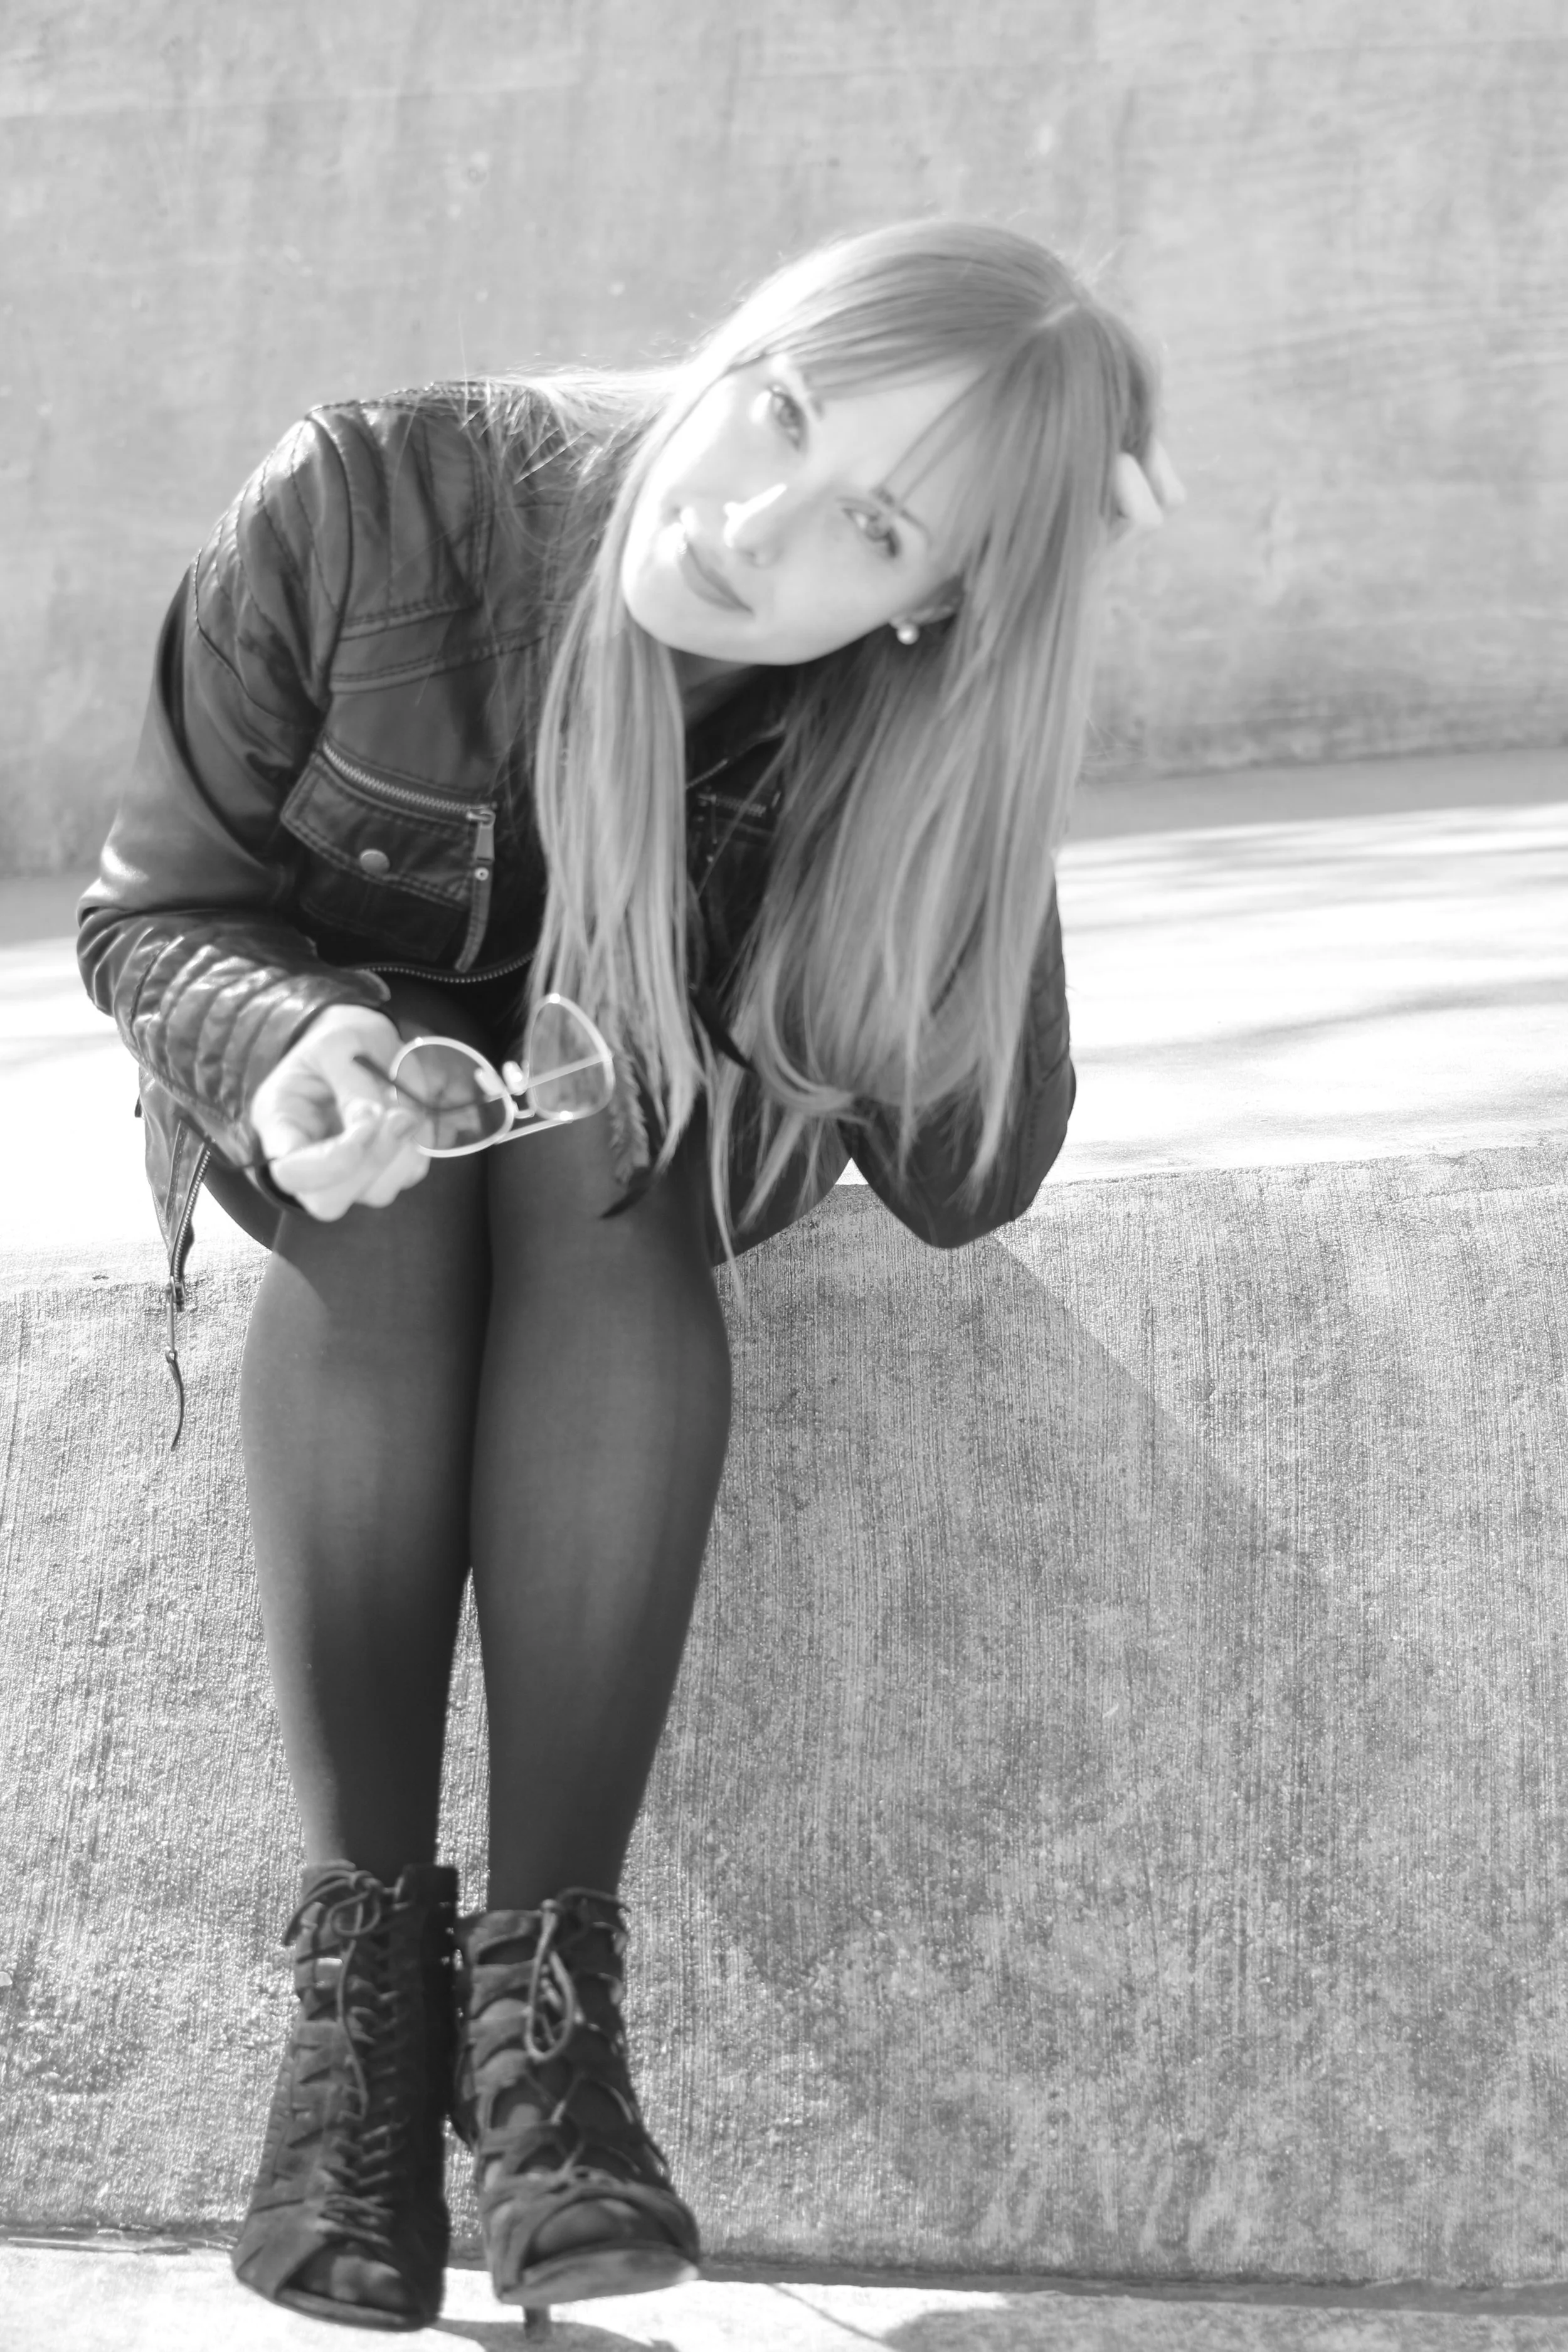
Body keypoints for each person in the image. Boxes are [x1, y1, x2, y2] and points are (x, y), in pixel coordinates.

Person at [78, 217, 1182, 2332]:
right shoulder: (379, 500)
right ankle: (361, 2016)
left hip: (644, 1151)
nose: (753, 524)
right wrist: (294, 1044)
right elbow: (155, 913)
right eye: (774, 411)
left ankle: (551, 2020)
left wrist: (992, 717)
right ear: (740, 344)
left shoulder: (897, 698)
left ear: (928, 597)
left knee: (580, 1117)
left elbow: (968, 1173)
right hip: (331, 1131)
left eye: (871, 528)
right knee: (408, 1171)